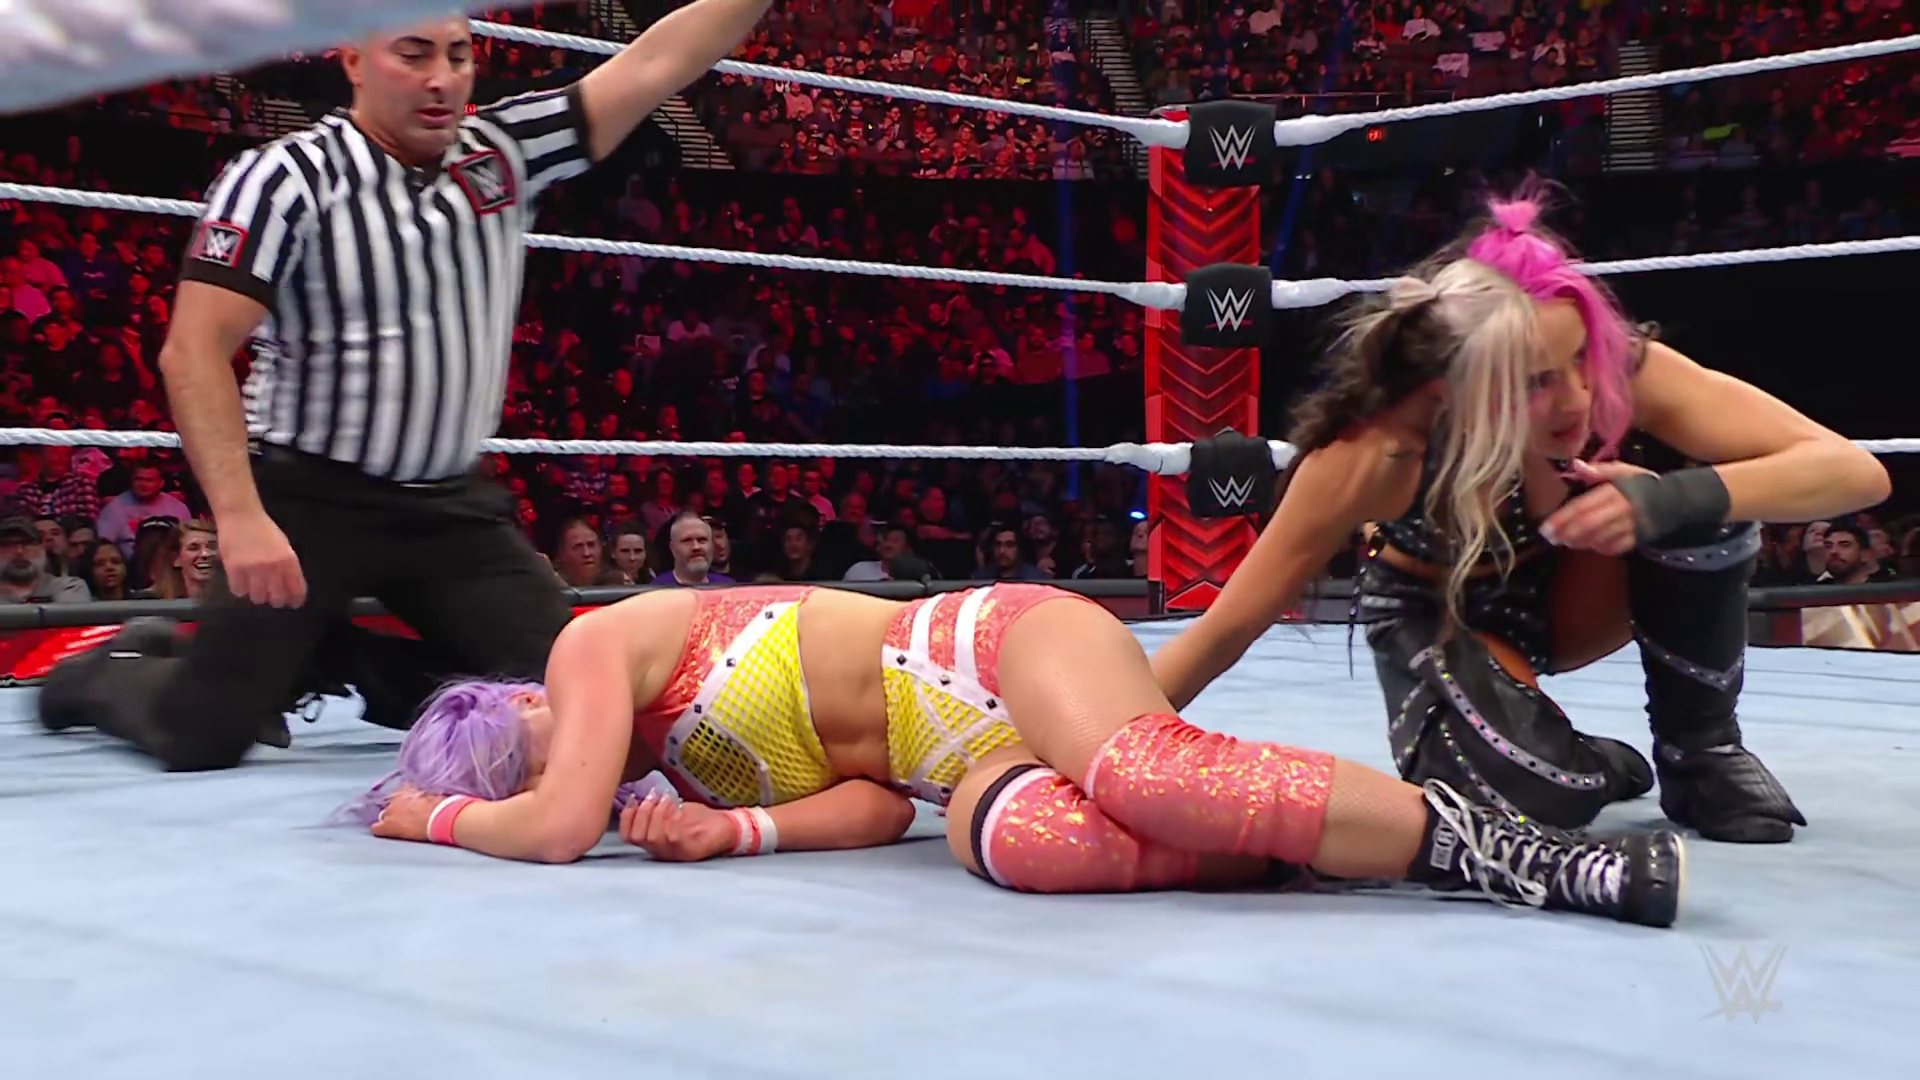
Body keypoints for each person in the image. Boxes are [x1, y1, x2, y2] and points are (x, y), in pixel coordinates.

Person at [36, 1, 777, 770]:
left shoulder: (503, 151)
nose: (441, 79)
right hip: (308, 500)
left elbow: (655, 63)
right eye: (414, 54)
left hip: (449, 509)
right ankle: (103, 673)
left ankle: (341, 654)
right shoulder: (285, 179)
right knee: (200, 734)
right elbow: (193, 351)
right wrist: (241, 517)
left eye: (457, 55)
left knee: (579, 704)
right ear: (354, 60)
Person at [1162, 189, 1890, 844]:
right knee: (1542, 799)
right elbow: (1227, 626)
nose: (1576, 399)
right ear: (1456, 387)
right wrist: (1117, 744)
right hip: (1443, 616)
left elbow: (1854, 471)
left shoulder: (1622, 369)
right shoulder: (1382, 450)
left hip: (1575, 596)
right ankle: (1583, 759)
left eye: (1580, 360)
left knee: (1704, 504)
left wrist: (1666, 498)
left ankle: (1702, 754)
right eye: (1536, 382)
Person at [342, 582, 1685, 928]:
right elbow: (880, 810)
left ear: (517, 702)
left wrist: (428, 820)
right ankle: (1313, 836)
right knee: (1026, 843)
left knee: (1147, 777)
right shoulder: (673, 778)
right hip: (960, 770)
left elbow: (556, 831)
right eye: (508, 773)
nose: (540, 769)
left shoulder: (592, 646)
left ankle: (1523, 858)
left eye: (512, 746)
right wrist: (732, 830)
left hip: (990, 650)